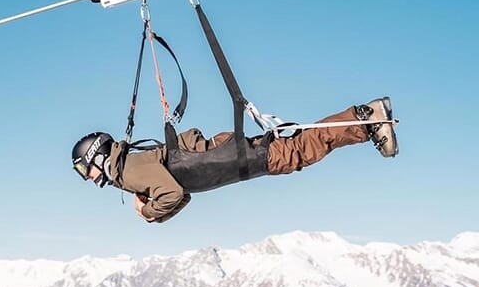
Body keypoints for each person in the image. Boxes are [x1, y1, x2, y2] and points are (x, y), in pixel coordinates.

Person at [71, 97, 398, 223]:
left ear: (96, 156)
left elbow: (171, 195)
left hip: (228, 157)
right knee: (296, 150)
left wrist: (147, 212)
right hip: (224, 156)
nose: (89, 178)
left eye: (86, 170)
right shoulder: (129, 169)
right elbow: (182, 195)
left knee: (297, 153)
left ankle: (365, 118)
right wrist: (155, 209)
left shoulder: (127, 172)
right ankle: (363, 120)